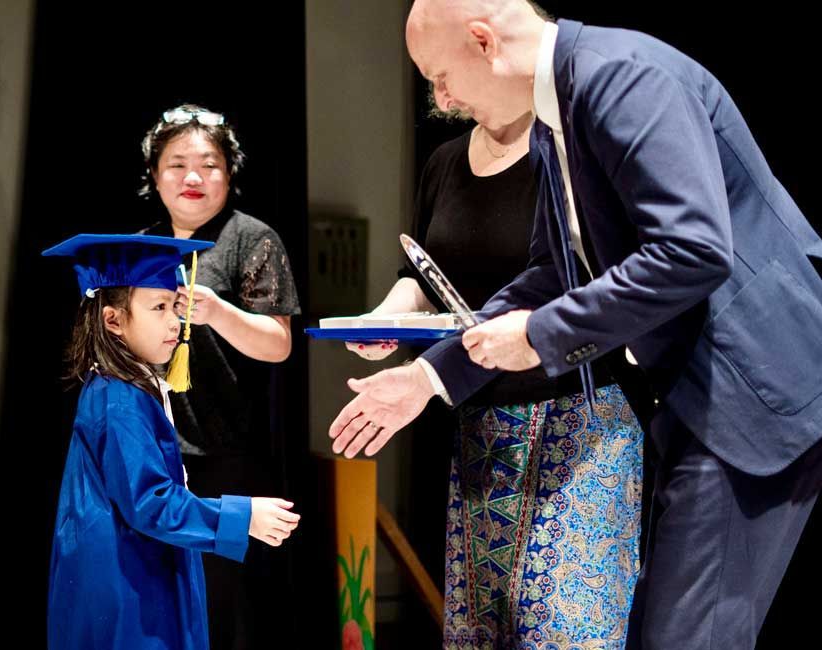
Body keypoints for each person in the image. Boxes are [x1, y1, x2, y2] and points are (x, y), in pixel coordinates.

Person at [329, 2, 822, 648]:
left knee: (688, 638)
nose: (440, 98)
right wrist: (428, 378)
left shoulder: (622, 78)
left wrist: (537, 334)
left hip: (754, 393)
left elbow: (695, 250)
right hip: (698, 403)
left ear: (483, 42)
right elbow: (549, 273)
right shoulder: (556, 118)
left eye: (440, 75)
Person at [348, 96, 645, 645]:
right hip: (482, 426)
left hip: (576, 419)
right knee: (483, 630)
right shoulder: (443, 161)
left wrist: (425, 377)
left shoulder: (565, 152)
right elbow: (419, 274)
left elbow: (567, 279)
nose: (440, 96)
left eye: (443, 73)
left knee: (565, 629)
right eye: (430, 83)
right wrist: (383, 318)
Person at [43, 233, 300, 650]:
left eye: (175, 307)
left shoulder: (130, 385)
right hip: (126, 581)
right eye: (159, 307)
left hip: (136, 564)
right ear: (113, 320)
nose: (174, 322)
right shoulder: (118, 398)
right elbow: (151, 502)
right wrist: (242, 517)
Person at [137, 105, 301, 648]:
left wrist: (218, 312)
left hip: (227, 452)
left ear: (228, 174)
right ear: (154, 176)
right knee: (153, 595)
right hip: (153, 449)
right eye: (176, 164)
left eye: (209, 165)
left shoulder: (250, 238)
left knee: (220, 606)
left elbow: (279, 345)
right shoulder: (143, 245)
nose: (192, 177)